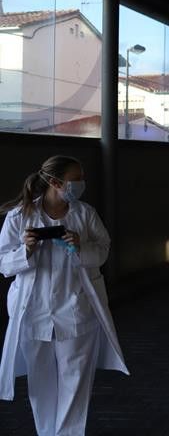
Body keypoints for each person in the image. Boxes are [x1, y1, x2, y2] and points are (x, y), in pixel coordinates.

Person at [0, 155, 129, 435]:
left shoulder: (85, 214)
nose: (81, 184)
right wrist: (26, 250)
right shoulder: (20, 216)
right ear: (56, 182)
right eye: (76, 179)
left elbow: (103, 249)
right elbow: (4, 264)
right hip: (34, 314)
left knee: (75, 382)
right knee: (41, 383)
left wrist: (81, 246)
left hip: (76, 312)